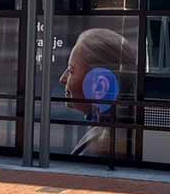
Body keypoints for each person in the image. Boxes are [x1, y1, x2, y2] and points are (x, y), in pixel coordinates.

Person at [58, 28, 136, 157]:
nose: (62, 79)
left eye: (71, 71)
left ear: (101, 85)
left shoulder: (106, 143)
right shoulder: (105, 130)